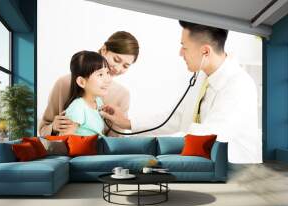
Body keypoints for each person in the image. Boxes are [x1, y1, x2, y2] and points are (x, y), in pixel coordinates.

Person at [100, 21, 262, 164]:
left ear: (205, 51)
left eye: (184, 47)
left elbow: (205, 138)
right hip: (207, 166)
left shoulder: (238, 85)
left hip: (236, 173)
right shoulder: (202, 78)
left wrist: (145, 147)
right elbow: (175, 117)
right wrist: (128, 122)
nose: (180, 53)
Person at [39, 31, 139, 136]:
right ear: (104, 50)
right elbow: (43, 130)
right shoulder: (64, 83)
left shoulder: (122, 94)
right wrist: (54, 128)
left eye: (125, 66)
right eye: (116, 60)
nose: (118, 68)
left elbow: (116, 141)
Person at [61, 50, 111, 136]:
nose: (108, 80)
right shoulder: (77, 107)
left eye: (107, 73)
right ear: (81, 82)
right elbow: (65, 139)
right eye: (100, 75)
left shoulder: (98, 101)